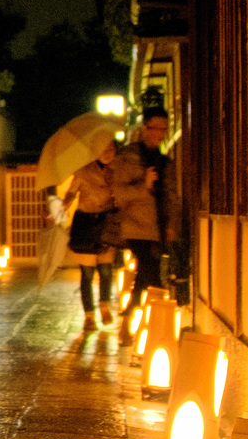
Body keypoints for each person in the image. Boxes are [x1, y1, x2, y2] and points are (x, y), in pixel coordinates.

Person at [109, 103, 172, 312]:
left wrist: (172, 222)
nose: (160, 134)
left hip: (158, 225)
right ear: (145, 127)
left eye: (164, 129)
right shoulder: (128, 157)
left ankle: (136, 310)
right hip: (134, 225)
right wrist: (143, 186)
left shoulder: (164, 160)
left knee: (149, 271)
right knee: (150, 268)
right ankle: (147, 313)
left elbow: (170, 195)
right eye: (156, 128)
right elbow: (119, 193)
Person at [63, 144, 118, 328]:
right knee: (87, 273)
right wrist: (62, 207)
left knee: (106, 270)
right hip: (86, 224)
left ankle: (104, 306)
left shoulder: (117, 170)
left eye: (111, 148)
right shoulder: (83, 171)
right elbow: (71, 193)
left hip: (107, 224)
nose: (107, 153)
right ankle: (89, 315)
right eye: (103, 148)